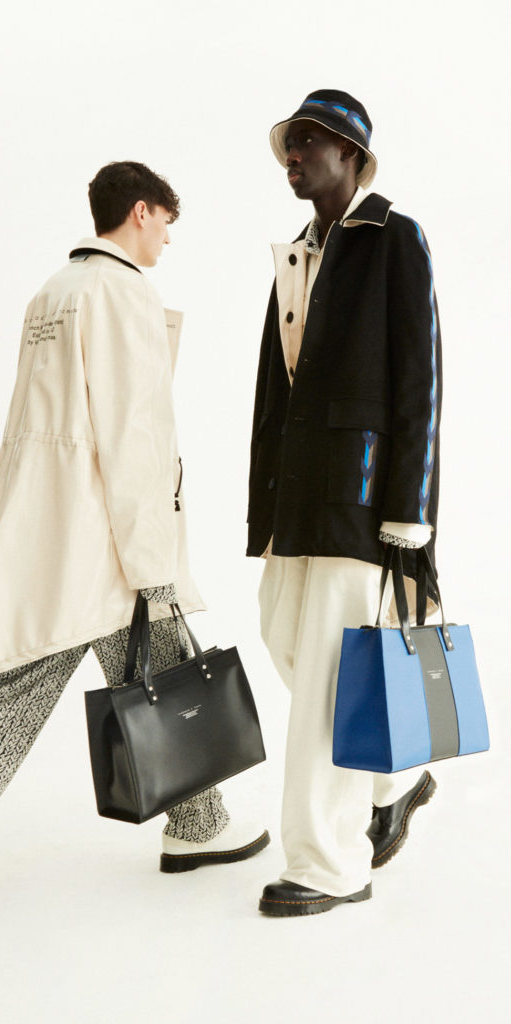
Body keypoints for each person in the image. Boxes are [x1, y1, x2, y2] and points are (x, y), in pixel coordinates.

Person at [0, 161, 268, 941]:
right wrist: (153, 562)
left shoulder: (55, 291)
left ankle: (200, 822)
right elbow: (132, 436)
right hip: (99, 539)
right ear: (139, 212)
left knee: (161, 667)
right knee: (16, 696)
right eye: (165, 221)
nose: (168, 238)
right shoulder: (121, 292)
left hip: (45, 525)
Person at [247, 91, 441, 917]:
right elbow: (275, 387)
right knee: (283, 638)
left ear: (351, 155)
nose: (291, 156)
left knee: (328, 676)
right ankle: (393, 779)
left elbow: (419, 379)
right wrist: (261, 506)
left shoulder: (394, 238)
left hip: (361, 499)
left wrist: (411, 508)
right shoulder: (296, 253)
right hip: (297, 494)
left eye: (306, 142)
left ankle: (327, 864)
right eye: (287, 145)